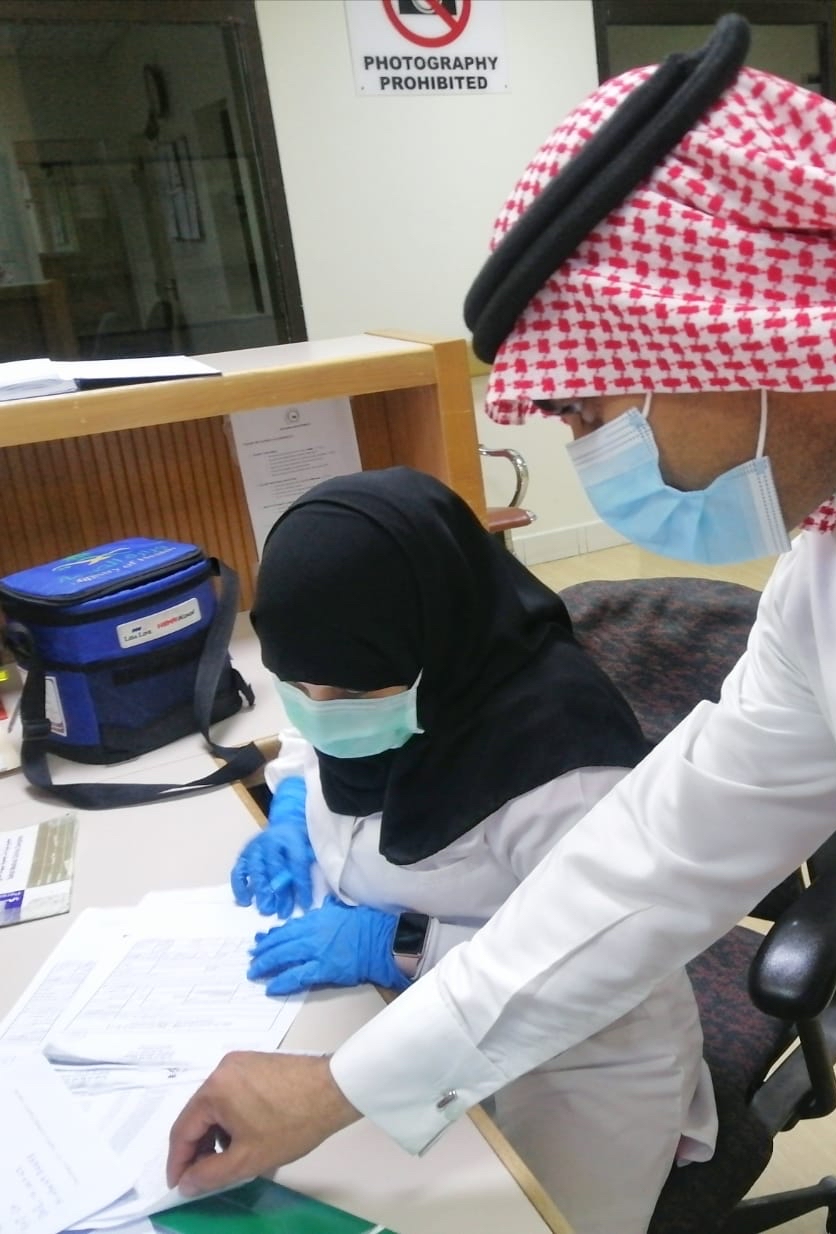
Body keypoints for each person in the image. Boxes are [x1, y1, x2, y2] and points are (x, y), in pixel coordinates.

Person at [170, 19, 836, 1234]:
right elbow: (651, 860)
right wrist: (340, 1085)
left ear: (716, 325)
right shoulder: (835, 578)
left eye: (588, 408)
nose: (592, 455)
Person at [220, 466, 715, 1234]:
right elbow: (313, 743)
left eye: (347, 695)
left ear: (432, 642)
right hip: (390, 1020)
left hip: (573, 1065)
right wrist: (288, 809)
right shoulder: (374, 675)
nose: (323, 714)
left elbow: (599, 955)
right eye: (298, 686)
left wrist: (405, 944)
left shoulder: (563, 763)